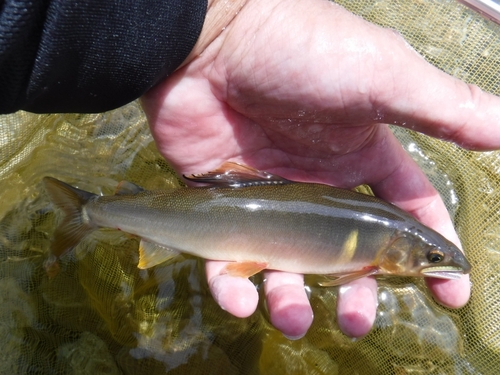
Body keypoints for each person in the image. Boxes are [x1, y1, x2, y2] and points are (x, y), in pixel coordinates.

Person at [3, 0, 500, 339]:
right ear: (400, 249)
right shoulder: (376, 245)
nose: (437, 259)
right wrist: (223, 22)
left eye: (433, 254)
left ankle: (93, 212)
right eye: (432, 254)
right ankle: (88, 213)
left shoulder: (381, 231)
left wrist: (224, 19)